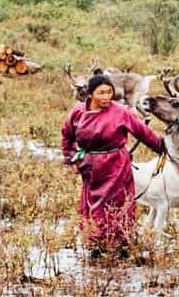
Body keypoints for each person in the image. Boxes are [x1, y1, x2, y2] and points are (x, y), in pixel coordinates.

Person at [61, 72, 165, 254]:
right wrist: (73, 159)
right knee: (94, 208)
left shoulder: (121, 111)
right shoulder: (78, 112)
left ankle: (122, 246)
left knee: (119, 206)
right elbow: (67, 136)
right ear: (91, 94)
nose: (106, 97)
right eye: (101, 93)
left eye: (109, 92)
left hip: (116, 166)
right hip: (90, 167)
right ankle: (96, 246)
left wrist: (163, 148)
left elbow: (143, 133)